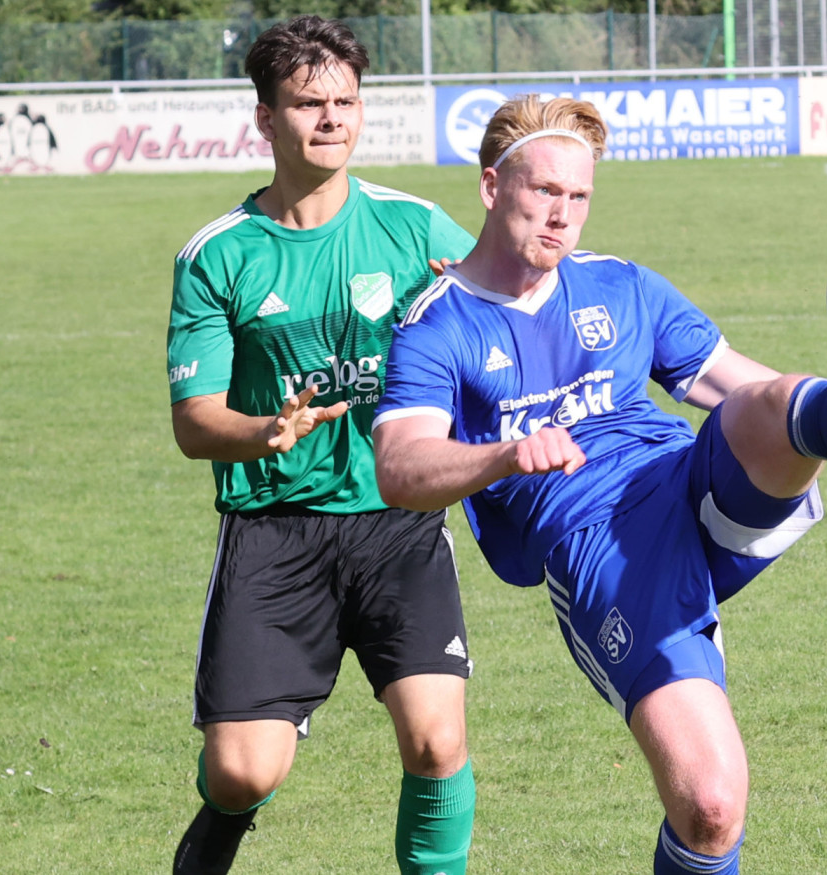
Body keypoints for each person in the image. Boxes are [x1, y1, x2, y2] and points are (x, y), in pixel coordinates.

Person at [370, 94, 827, 874]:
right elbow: (401, 468)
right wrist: (502, 456)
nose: (563, 216)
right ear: (492, 185)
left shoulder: (622, 286)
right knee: (710, 805)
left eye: (578, 197)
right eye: (544, 192)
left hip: (687, 478)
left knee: (767, 401)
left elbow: (758, 389)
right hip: (603, 546)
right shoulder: (436, 325)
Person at [165, 16, 477, 875]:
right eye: (308, 103)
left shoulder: (417, 230)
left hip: (397, 520)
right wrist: (264, 430)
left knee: (435, 737)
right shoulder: (217, 256)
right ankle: (222, 818)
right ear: (265, 119)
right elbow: (195, 421)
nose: (331, 118)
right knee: (240, 772)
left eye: (344, 101)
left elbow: (503, 312)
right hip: (273, 529)